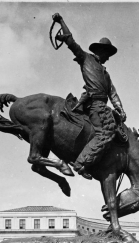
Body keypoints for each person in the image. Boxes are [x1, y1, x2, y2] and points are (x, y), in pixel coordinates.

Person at [52, 13, 127, 180]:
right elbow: (71, 42)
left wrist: (120, 110)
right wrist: (61, 21)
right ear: (102, 51)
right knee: (105, 134)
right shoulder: (85, 59)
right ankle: (81, 163)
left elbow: (113, 94)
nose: (108, 58)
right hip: (94, 105)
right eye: (108, 54)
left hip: (102, 107)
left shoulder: (105, 74)